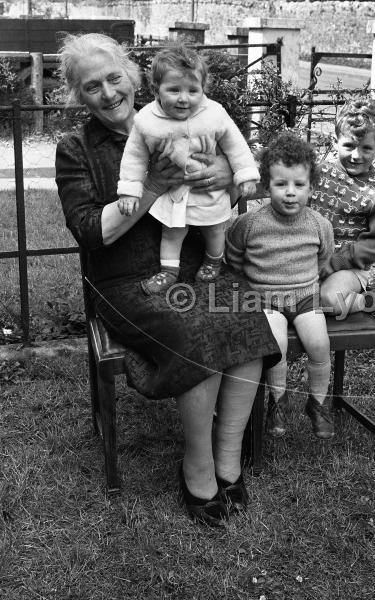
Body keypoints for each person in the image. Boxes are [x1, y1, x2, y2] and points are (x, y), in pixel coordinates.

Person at [55, 33, 279, 527]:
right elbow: (91, 232)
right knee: (192, 328)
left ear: (135, 78)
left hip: (198, 264)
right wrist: (153, 184)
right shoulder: (76, 148)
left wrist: (224, 171)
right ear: (78, 94)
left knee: (244, 312)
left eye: (115, 78)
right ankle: (196, 466)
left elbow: (247, 175)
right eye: (92, 86)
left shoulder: (192, 116)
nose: (109, 93)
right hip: (124, 280)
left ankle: (227, 455)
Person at [117, 45, 259, 291]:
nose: (184, 98)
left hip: (208, 190)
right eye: (174, 90)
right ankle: (169, 271)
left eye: (193, 90)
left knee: (215, 230)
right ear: (156, 90)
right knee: (171, 232)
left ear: (203, 90)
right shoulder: (147, 121)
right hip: (174, 191)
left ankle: (213, 261)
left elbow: (235, 144)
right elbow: (134, 157)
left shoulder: (214, 113)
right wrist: (130, 190)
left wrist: (244, 174)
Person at [225, 132, 336, 440]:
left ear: (311, 188)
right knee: (278, 346)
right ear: (266, 184)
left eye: (299, 185)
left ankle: (318, 404)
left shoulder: (318, 225)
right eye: (281, 184)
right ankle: (278, 403)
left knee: (319, 344)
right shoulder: (250, 224)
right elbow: (233, 255)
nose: (290, 193)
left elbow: (324, 258)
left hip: (304, 299)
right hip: (266, 301)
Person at [310, 98, 375, 321]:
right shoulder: (319, 173)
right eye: (348, 146)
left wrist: (336, 262)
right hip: (308, 260)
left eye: (366, 148)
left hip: (349, 269)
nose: (356, 155)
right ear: (335, 142)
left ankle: (369, 300)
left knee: (327, 299)